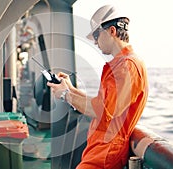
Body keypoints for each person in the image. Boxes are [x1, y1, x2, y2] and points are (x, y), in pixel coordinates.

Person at [47, 4, 149, 169]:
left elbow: (102, 111)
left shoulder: (127, 67)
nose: (95, 41)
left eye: (96, 34)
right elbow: (102, 103)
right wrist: (70, 89)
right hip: (99, 148)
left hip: (106, 152)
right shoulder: (121, 64)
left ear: (112, 31)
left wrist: (66, 94)